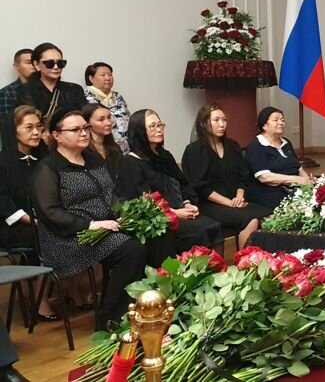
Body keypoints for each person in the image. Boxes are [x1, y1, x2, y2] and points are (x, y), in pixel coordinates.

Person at [29, 108, 173, 328]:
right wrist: (91, 224)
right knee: (131, 250)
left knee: (158, 237)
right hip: (69, 239)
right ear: (57, 135)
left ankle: (157, 307)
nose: (84, 133)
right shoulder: (48, 168)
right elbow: (50, 213)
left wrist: (125, 214)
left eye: (85, 128)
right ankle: (112, 321)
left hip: (107, 227)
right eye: (75, 129)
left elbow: (112, 193)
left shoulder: (92, 159)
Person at [117, 109, 221, 253]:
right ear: (140, 131)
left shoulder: (165, 156)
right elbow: (141, 202)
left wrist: (187, 203)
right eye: (152, 126)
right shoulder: (130, 162)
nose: (159, 129)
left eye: (160, 125)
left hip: (180, 211)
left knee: (214, 226)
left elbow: (182, 183)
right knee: (203, 228)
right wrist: (175, 213)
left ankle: (214, 266)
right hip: (158, 220)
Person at [182, 105, 270, 248]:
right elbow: (200, 187)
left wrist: (239, 197)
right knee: (250, 220)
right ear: (203, 123)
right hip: (209, 204)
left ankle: (266, 257)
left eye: (224, 120)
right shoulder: (194, 150)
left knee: (270, 215)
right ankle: (245, 259)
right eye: (216, 120)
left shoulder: (232, 146)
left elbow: (243, 176)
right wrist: (229, 203)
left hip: (235, 200)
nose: (222, 124)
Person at [0, 105, 58, 321]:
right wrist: (33, 220)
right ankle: (39, 301)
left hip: (43, 220)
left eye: (39, 127)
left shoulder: (44, 159)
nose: (36, 132)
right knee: (45, 237)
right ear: (13, 131)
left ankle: (72, 290)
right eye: (29, 127)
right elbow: (3, 202)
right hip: (11, 226)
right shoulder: (2, 162)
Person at [244, 107, 312, 209]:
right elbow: (265, 177)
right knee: (301, 205)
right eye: (276, 120)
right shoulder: (256, 146)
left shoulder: (286, 142)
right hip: (267, 191)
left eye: (282, 120)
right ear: (264, 125)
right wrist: (296, 180)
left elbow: (298, 169)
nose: (281, 123)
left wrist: (307, 182)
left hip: (291, 187)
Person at [16, 43, 86, 120]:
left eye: (60, 63)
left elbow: (85, 116)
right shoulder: (26, 90)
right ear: (36, 65)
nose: (56, 67)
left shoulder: (75, 89)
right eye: (49, 63)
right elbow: (31, 120)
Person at [83, 62, 130, 153]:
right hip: (101, 149)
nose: (107, 78)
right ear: (91, 78)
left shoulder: (118, 96)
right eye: (103, 75)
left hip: (125, 148)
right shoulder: (85, 97)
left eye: (110, 75)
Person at [82, 103, 123, 178]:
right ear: (87, 123)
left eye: (109, 117)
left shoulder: (115, 148)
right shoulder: (83, 150)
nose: (108, 123)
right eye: (101, 120)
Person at [0, 49, 36, 122]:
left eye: (35, 63)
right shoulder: (6, 93)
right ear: (16, 66)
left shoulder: (45, 88)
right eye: (29, 62)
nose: (33, 66)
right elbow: (6, 123)